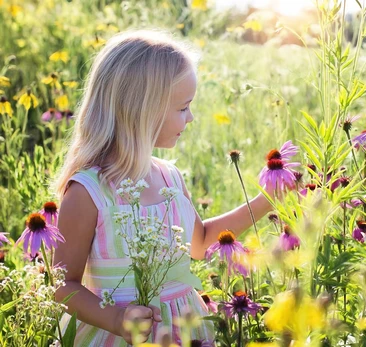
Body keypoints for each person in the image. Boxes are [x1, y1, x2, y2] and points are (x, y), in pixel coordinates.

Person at [53, 29, 274, 346]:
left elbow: (199, 244)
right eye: (183, 107)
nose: (191, 117)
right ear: (142, 111)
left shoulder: (170, 177)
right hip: (115, 336)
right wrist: (116, 319)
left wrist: (266, 200)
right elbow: (64, 285)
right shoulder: (89, 192)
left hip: (185, 330)